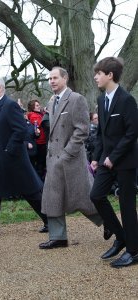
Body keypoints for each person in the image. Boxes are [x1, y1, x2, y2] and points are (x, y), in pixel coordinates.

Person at [0, 77, 47, 239]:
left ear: (0, 88)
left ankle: (50, 220)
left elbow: (20, 130)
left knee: (30, 192)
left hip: (13, 160)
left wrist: (8, 150)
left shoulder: (10, 105)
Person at [39, 67, 103, 250]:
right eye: (50, 78)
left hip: (71, 159)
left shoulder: (76, 99)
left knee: (84, 198)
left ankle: (110, 224)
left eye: (55, 78)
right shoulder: (52, 101)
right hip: (53, 158)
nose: (52, 81)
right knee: (52, 197)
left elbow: (82, 130)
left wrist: (67, 153)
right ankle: (58, 237)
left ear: (65, 78)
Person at [90, 57, 138, 268]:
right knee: (96, 195)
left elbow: (132, 133)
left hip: (125, 161)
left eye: (99, 73)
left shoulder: (127, 100)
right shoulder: (101, 100)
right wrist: (96, 157)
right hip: (105, 161)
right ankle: (121, 237)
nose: (95, 77)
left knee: (127, 206)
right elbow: (101, 133)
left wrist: (113, 157)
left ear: (110, 75)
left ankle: (134, 251)